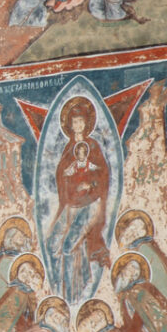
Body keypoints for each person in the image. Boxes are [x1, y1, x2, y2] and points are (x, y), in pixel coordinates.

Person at [49, 98, 110, 301]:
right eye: (74, 122)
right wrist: (68, 178)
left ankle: (72, 297)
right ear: (70, 124)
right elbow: (61, 176)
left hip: (89, 204)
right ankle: (59, 288)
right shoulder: (69, 149)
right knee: (52, 244)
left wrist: (89, 185)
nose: (78, 125)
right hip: (71, 204)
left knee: (68, 247)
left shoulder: (93, 146)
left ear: (86, 123)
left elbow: (103, 176)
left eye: (81, 121)